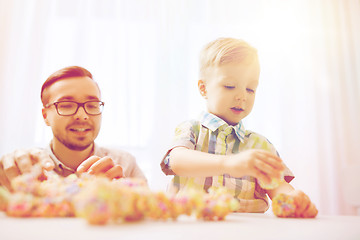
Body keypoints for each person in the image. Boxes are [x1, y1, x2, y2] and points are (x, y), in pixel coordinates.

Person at [160, 38, 317, 217]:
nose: (242, 96)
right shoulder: (191, 129)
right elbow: (176, 161)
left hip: (247, 230)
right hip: (192, 226)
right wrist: (228, 163)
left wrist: (294, 200)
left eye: (250, 89)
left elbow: (278, 187)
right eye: (229, 86)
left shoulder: (260, 145)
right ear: (203, 89)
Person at [0, 66, 146, 190]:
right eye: (66, 105)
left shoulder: (124, 164)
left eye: (92, 105)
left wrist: (124, 197)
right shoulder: (23, 170)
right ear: (45, 116)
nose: (82, 115)